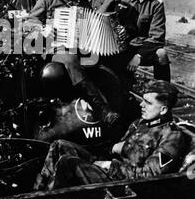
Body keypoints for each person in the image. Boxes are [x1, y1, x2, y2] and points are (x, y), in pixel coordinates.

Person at [34, 80, 186, 191]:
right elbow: (116, 148)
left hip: (122, 186)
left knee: (68, 163)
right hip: (110, 171)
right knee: (60, 145)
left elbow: (148, 176)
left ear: (164, 110)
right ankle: (37, 193)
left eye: (148, 102)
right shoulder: (141, 123)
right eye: (142, 100)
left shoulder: (171, 136)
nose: (141, 105)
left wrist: (109, 165)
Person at [26, 0, 121, 126]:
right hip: (56, 49)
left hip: (79, 48)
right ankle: (103, 109)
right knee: (70, 60)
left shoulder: (81, 1)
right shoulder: (48, 0)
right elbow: (29, 21)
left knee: (100, 63)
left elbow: (91, 23)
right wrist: (43, 29)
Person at [99, 0, 171, 82]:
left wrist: (138, 56)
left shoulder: (156, 3)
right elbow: (98, 18)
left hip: (140, 48)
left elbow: (156, 38)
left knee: (162, 54)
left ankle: (162, 93)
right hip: (116, 48)